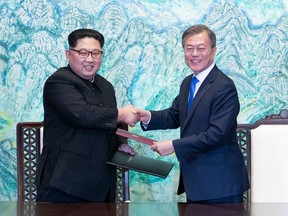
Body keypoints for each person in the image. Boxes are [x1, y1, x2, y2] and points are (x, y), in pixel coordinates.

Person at [134, 24, 250, 203]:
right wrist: (148, 116)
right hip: (195, 181)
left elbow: (216, 134)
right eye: (189, 49)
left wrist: (174, 145)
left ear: (213, 50)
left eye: (200, 48)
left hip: (220, 184)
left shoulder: (224, 86)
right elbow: (175, 115)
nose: (194, 54)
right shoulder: (188, 82)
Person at [35, 28, 138, 203]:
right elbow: (83, 114)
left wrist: (121, 144)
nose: (90, 59)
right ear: (69, 54)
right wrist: (122, 113)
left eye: (95, 53)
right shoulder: (58, 81)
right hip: (65, 184)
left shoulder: (105, 86)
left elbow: (109, 121)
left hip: (102, 182)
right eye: (83, 53)